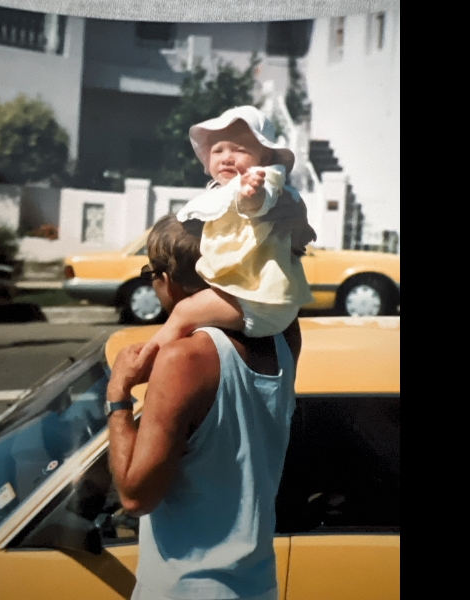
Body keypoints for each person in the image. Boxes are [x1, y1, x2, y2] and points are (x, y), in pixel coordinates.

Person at [107, 213, 303, 600]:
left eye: (151, 273)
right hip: (257, 586)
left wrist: (118, 395)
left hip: (186, 588)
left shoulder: (183, 361)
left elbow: (135, 497)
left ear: (168, 279)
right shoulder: (284, 338)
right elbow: (267, 301)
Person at [147, 105, 315, 348]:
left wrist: (250, 194)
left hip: (257, 298)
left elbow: (261, 202)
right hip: (253, 295)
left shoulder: (263, 180)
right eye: (218, 150)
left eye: (239, 149)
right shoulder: (219, 193)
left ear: (265, 158)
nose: (227, 157)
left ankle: (140, 363)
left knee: (183, 313)